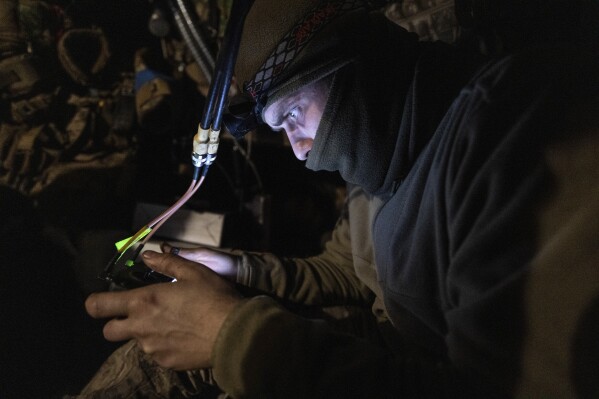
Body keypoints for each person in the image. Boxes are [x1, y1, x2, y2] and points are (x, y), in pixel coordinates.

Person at [75, 0, 599, 397]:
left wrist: (234, 339)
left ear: (349, 63)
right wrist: (233, 271)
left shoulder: (515, 130)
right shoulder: (384, 161)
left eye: (293, 116)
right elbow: (347, 270)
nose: (299, 150)